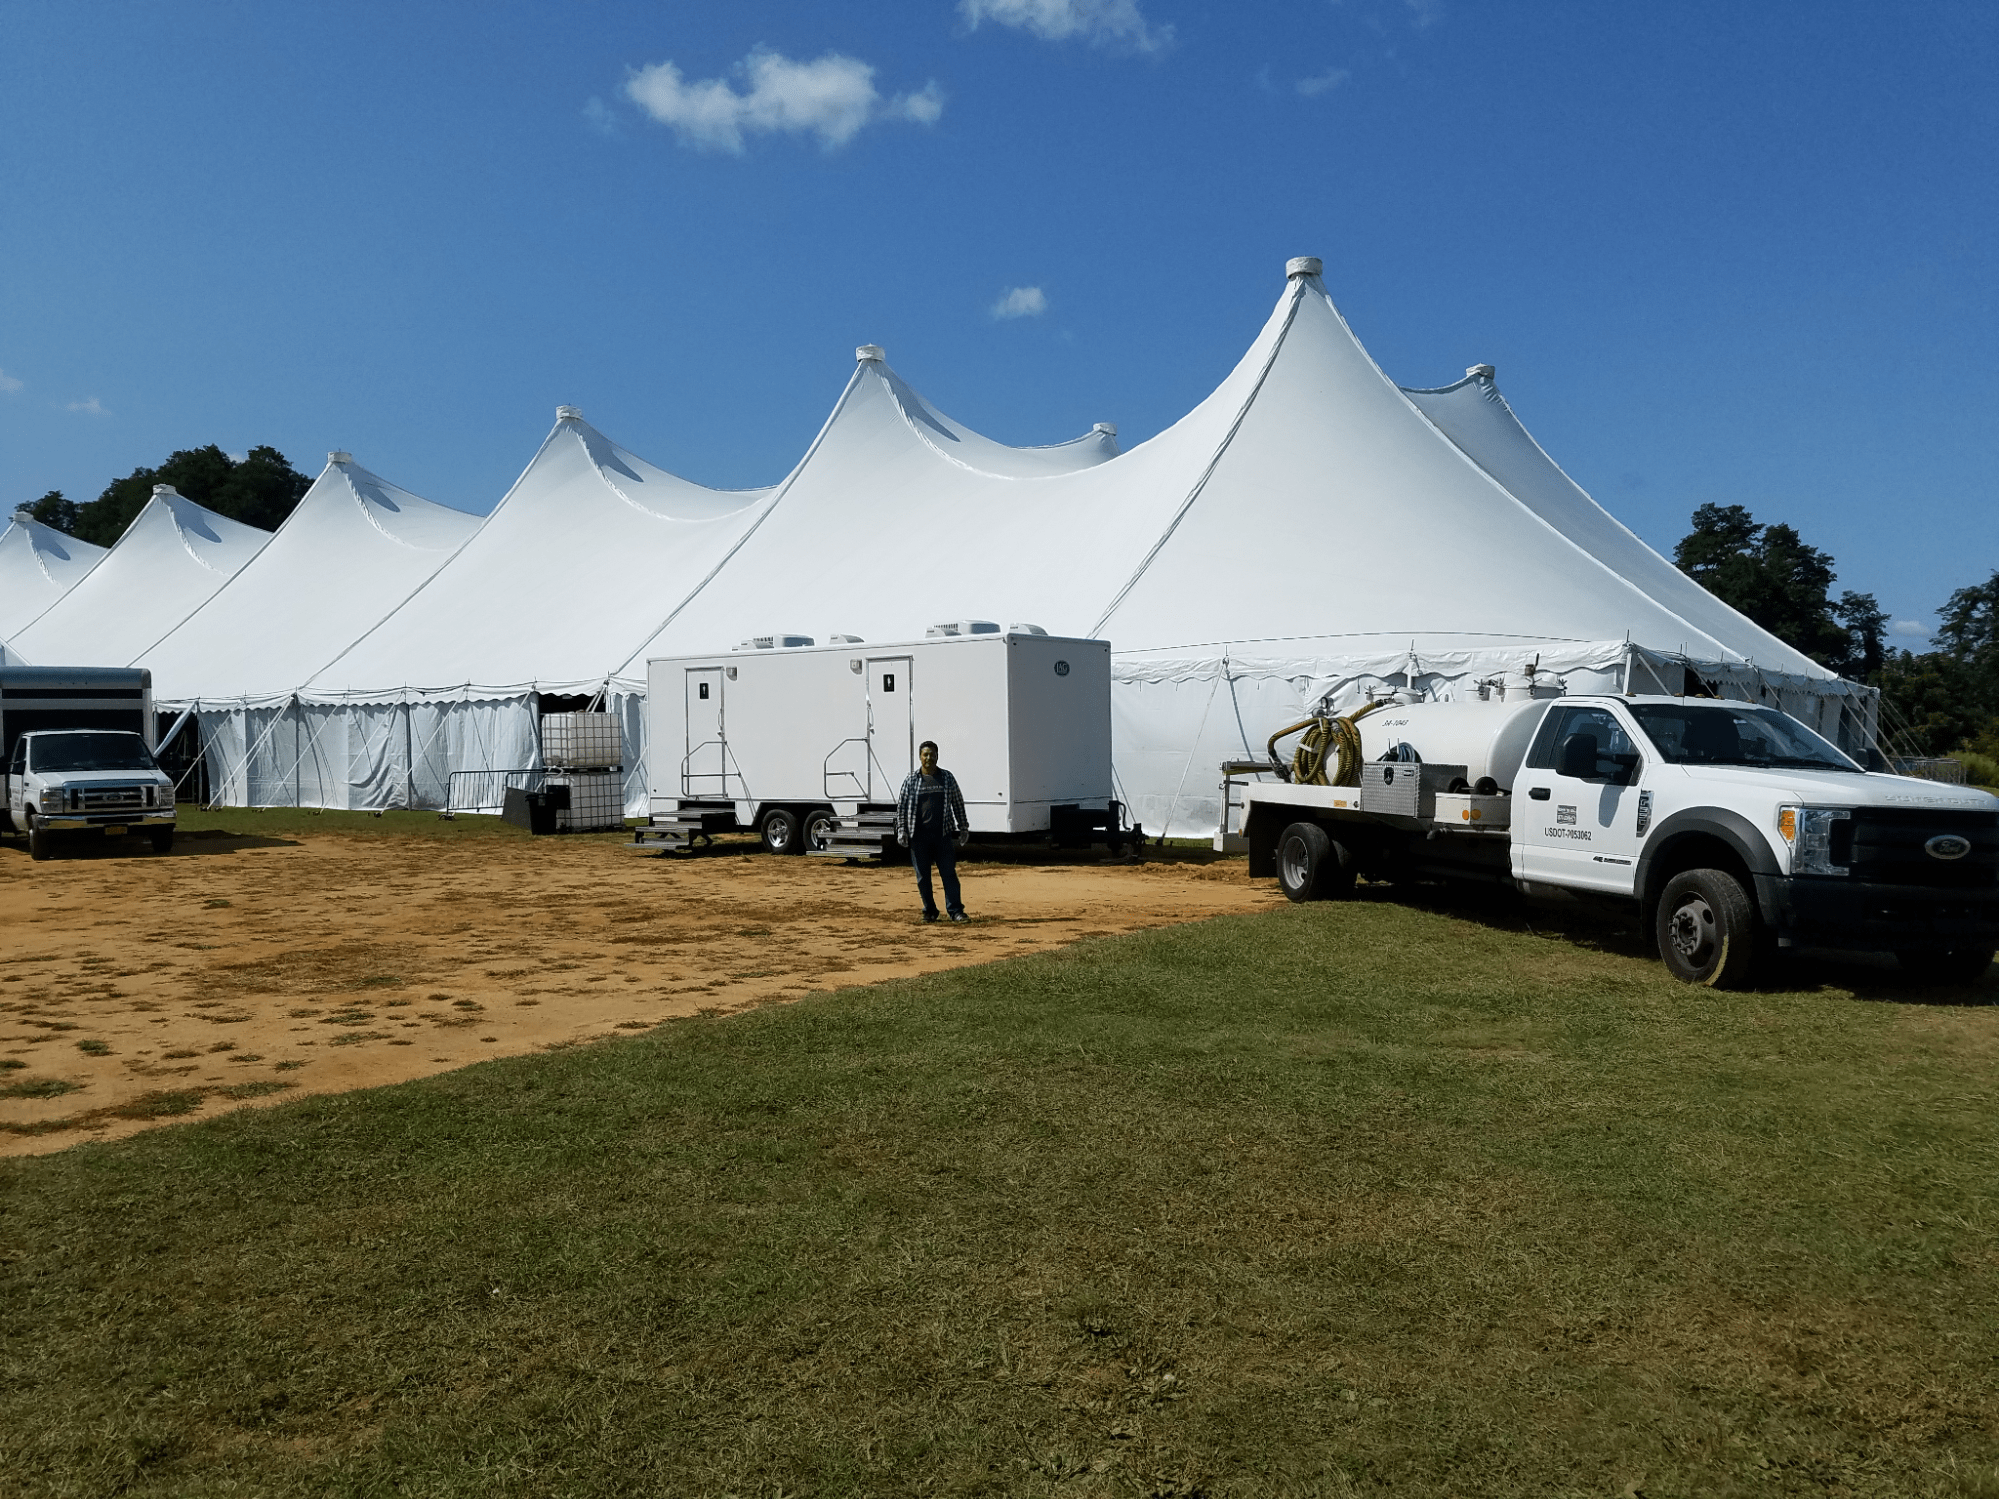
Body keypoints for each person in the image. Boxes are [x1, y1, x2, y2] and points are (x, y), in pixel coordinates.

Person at [895, 739, 969, 922]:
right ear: (920, 757)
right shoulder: (911, 780)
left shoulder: (947, 778)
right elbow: (902, 808)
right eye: (925, 754)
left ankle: (956, 911)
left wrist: (963, 827)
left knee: (949, 874)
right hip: (918, 837)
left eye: (932, 754)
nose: (929, 758)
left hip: (942, 836)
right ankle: (929, 911)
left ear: (937, 756)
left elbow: (957, 803)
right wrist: (901, 831)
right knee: (923, 878)